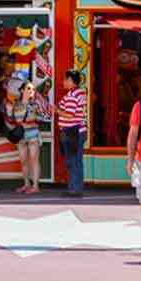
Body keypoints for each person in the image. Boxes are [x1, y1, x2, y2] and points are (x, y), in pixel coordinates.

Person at [57, 70, 88, 198]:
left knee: (73, 161)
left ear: (71, 80)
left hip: (72, 131)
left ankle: (74, 189)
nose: (63, 82)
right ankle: (75, 187)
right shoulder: (80, 93)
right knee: (76, 160)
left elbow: (69, 114)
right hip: (77, 130)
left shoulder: (72, 96)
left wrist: (56, 110)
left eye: (65, 79)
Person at [9, 79, 43, 194]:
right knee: (23, 161)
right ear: (22, 90)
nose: (31, 91)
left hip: (33, 134)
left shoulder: (35, 104)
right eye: (28, 88)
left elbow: (42, 118)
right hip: (21, 135)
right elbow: (12, 119)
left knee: (34, 160)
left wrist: (34, 117)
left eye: (33, 89)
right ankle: (26, 184)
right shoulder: (16, 105)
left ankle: (35, 186)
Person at [126, 97, 141, 247]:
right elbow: (133, 134)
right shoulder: (140, 106)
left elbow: (133, 134)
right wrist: (130, 159)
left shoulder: (140, 106)